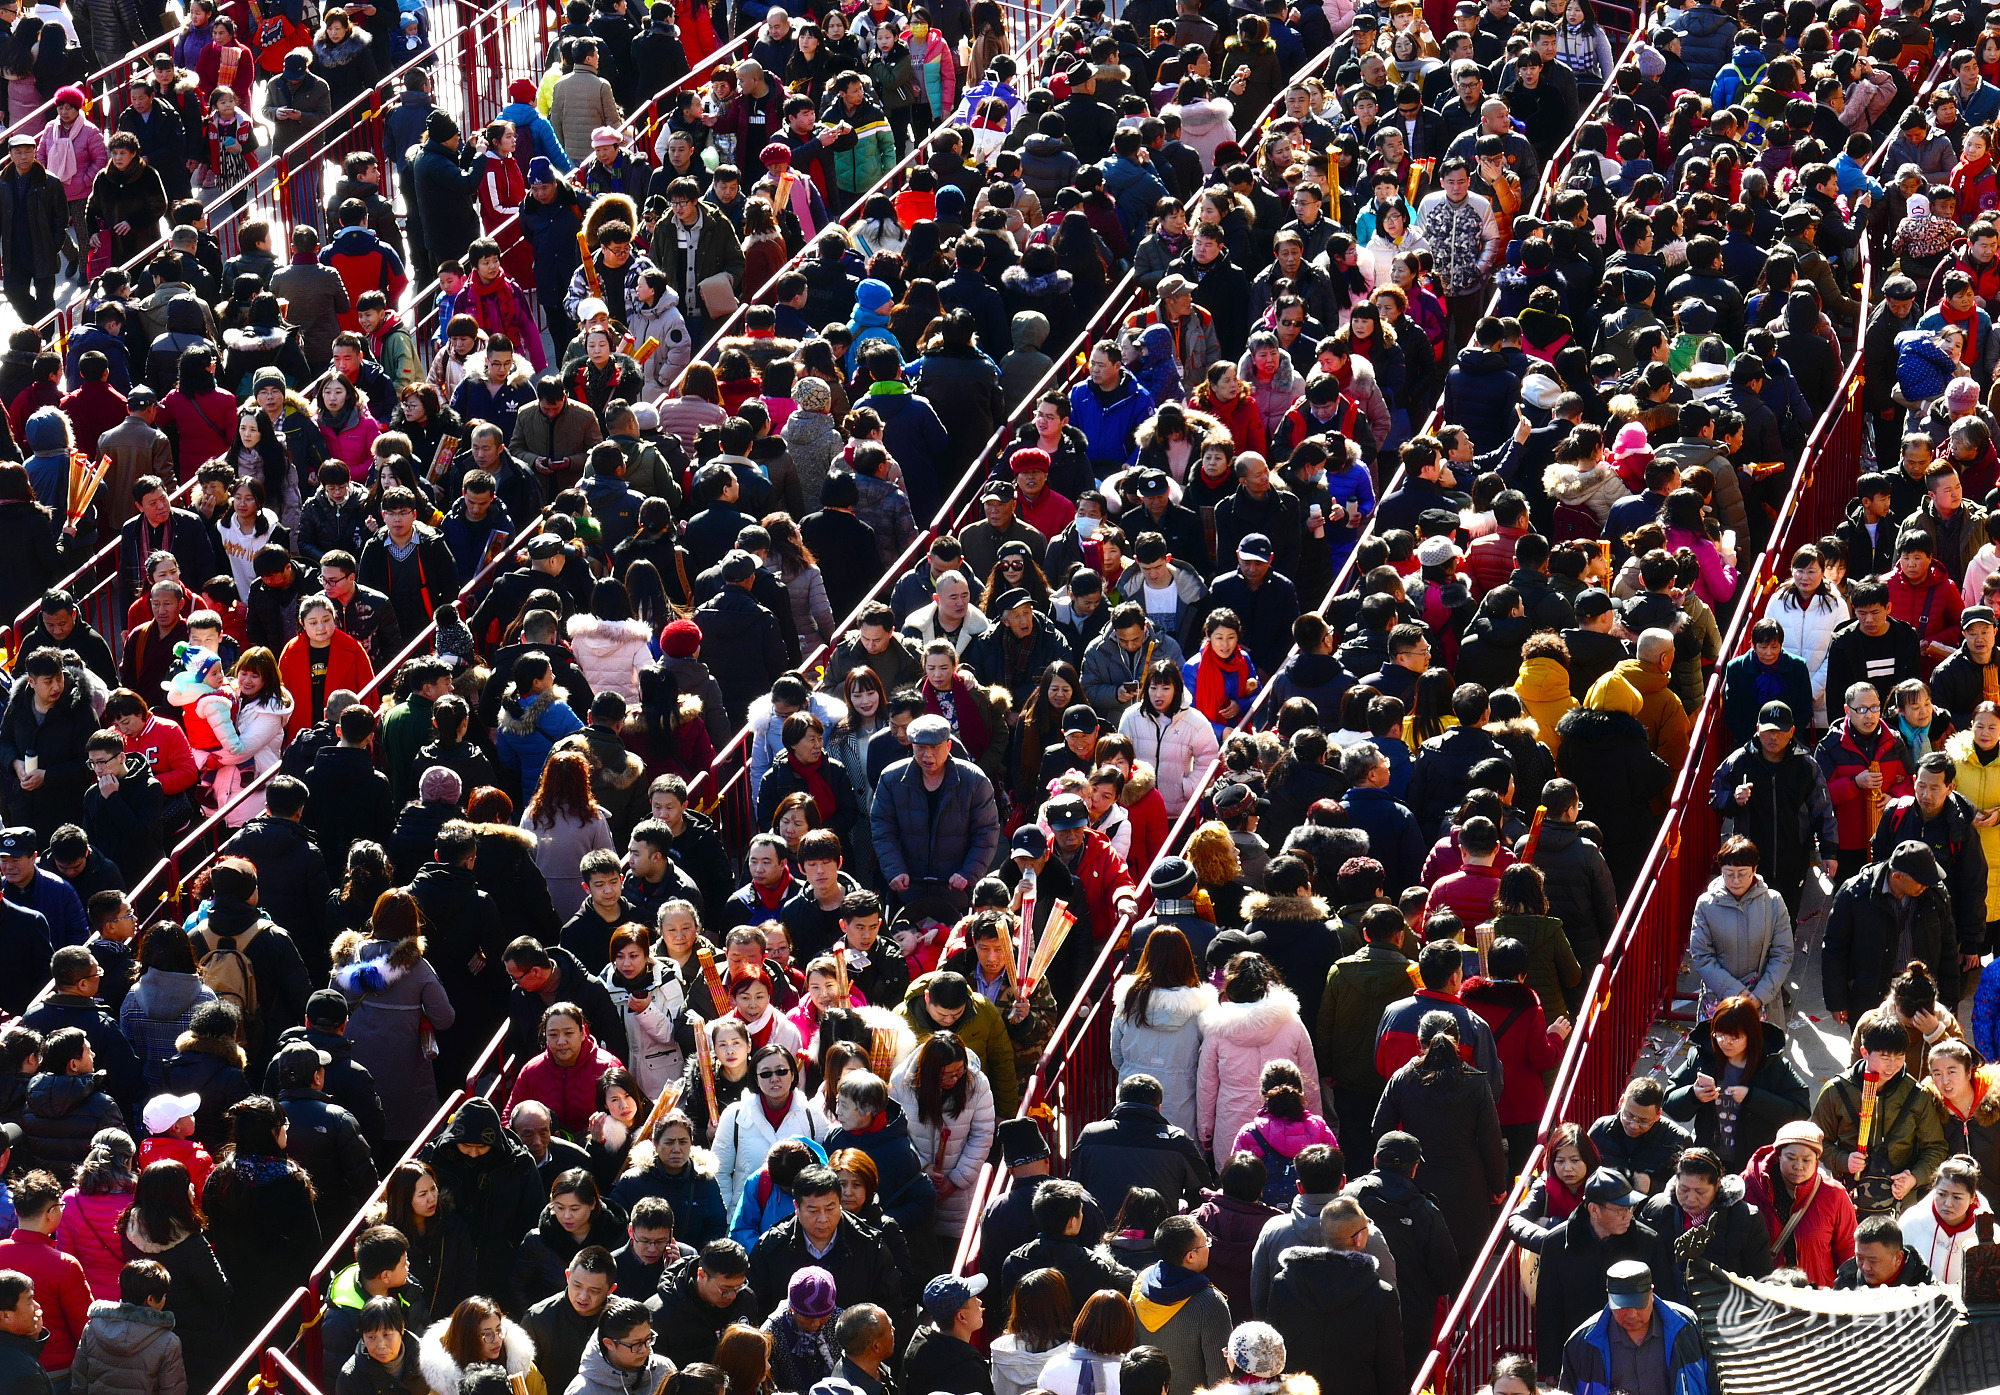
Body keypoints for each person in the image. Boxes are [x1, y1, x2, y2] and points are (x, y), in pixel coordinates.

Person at [200, 1096, 321, 1344]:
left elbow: (209, 1232)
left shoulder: (219, 1177)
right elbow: (311, 1243)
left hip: (236, 1289)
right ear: (272, 1131)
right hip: (284, 1292)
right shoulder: (291, 1180)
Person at [1266, 1198, 1402, 1395]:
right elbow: (1390, 1366)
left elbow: (1273, 1348)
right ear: (1357, 1239)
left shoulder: (1283, 1284)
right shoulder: (1382, 1295)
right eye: (1367, 1226)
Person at [1556, 1259, 1711, 1395]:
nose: (1631, 1314)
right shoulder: (1582, 1343)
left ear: (1651, 1293)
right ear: (1609, 1297)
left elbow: (1711, 1382)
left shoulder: (1686, 1327)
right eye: (1622, 1306)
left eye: (1638, 1304)